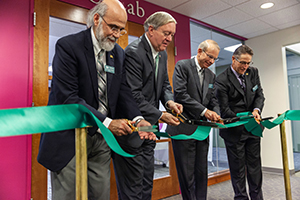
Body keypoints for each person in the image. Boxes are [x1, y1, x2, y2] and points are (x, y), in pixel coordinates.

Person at [37, 1, 156, 199]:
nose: (117, 35)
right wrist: (108, 123)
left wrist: (137, 119)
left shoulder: (117, 53)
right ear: (96, 19)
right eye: (114, 27)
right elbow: (69, 98)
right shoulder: (68, 46)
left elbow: (123, 90)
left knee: (100, 195)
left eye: (121, 30)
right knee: (69, 195)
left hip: (100, 139)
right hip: (70, 137)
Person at [112, 11, 183, 200]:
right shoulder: (134, 52)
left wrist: (169, 102)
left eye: (172, 35)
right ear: (151, 30)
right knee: (132, 190)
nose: (169, 39)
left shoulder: (162, 53)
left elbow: (165, 85)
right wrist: (161, 115)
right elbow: (133, 95)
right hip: (132, 127)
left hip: (150, 127)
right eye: (166, 33)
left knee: (145, 184)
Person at [166, 39, 221, 200]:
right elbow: (181, 95)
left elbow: (213, 100)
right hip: (184, 129)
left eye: (214, 59)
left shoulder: (211, 75)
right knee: (187, 175)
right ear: (199, 51)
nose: (211, 61)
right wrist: (205, 111)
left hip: (202, 131)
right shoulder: (183, 66)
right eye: (209, 57)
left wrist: (216, 113)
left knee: (201, 172)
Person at [215, 45, 265, 200]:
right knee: (238, 170)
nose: (245, 66)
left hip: (253, 128)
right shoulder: (221, 80)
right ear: (233, 59)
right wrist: (245, 118)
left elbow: (259, 95)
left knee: (255, 167)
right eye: (242, 62)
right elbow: (224, 109)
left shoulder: (253, 72)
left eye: (248, 63)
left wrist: (256, 110)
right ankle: (241, 198)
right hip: (234, 130)